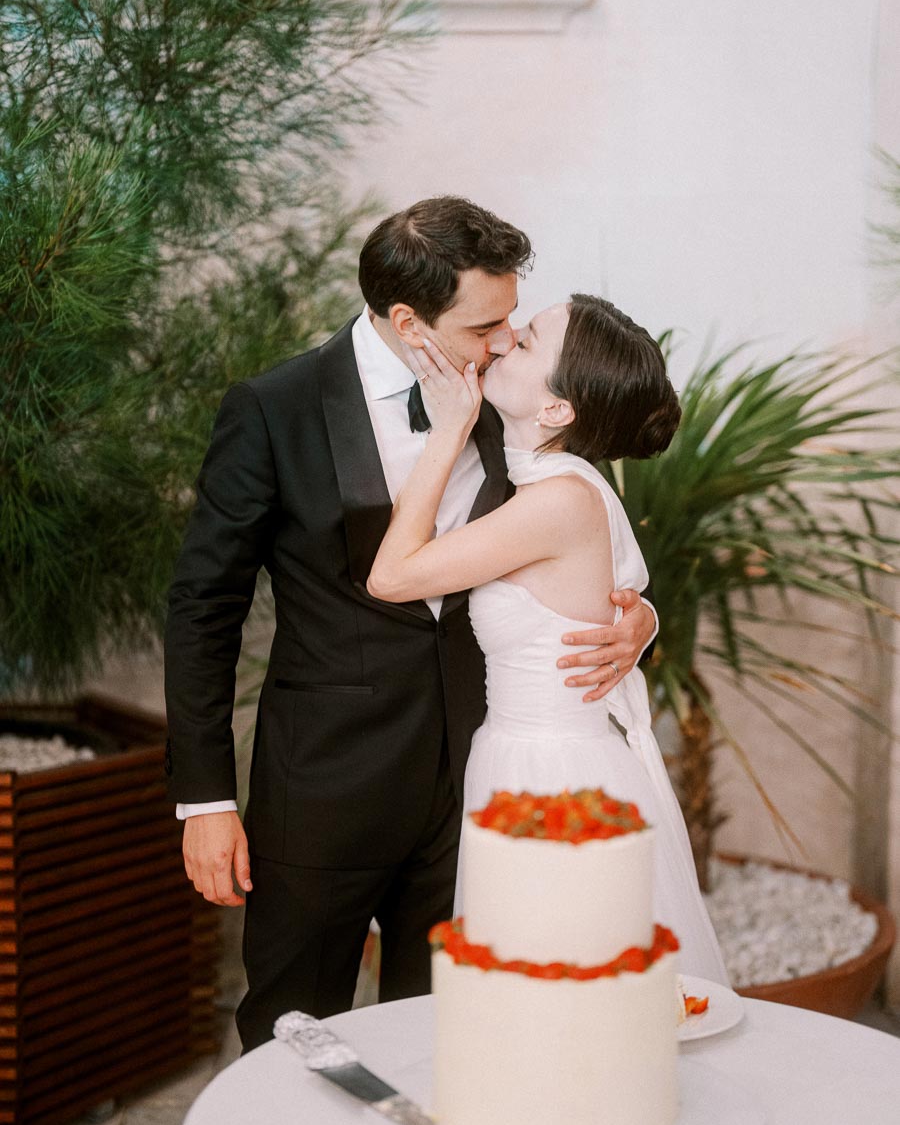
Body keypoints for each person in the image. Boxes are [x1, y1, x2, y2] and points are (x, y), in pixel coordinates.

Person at [164, 198, 659, 1052]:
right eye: (486, 324)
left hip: (481, 780)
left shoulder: (523, 404)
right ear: (407, 320)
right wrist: (204, 799)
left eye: (514, 321)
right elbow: (204, 607)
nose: (506, 341)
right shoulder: (276, 408)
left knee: (453, 1040)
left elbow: (584, 535)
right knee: (292, 1033)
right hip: (325, 786)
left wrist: (638, 616)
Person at [367, 294, 729, 983]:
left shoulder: (558, 499)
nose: (502, 342)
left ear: (558, 410)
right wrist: (640, 617)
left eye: (527, 342)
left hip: (551, 778)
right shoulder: (552, 482)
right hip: (520, 756)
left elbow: (392, 577)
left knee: (563, 984)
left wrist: (448, 430)